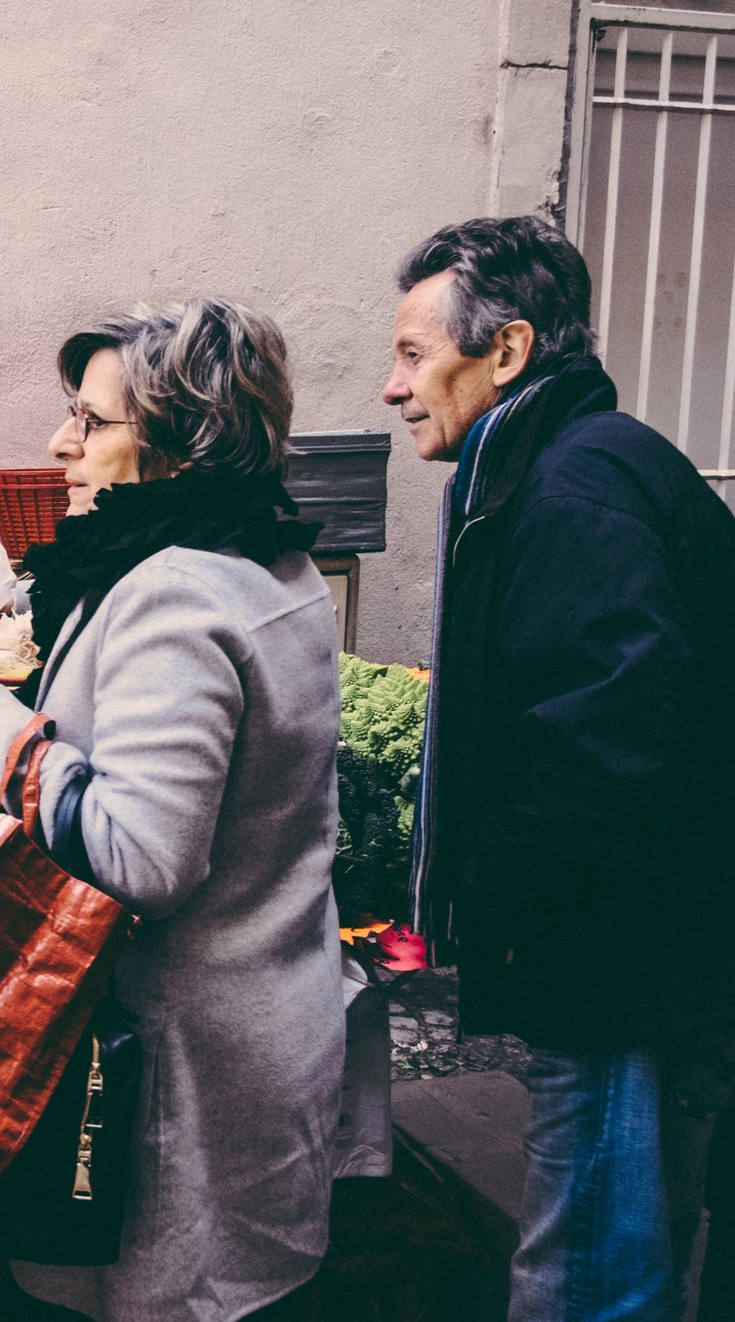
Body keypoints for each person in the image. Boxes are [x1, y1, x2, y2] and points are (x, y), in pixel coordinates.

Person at [0, 298, 344, 1319]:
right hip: (265, 1021)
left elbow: (141, 854)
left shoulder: (173, 593)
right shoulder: (270, 560)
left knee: (174, 1295)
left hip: (182, 1064)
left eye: (91, 421)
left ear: (180, 444)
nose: (62, 441)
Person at [382, 215, 735, 1318]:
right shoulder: (554, 466)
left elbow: (609, 738)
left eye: (409, 353)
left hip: (611, 960)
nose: (392, 386)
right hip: (627, 947)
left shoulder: (572, 487)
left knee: (584, 1271)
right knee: (610, 1240)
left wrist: (496, 878)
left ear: (508, 350)